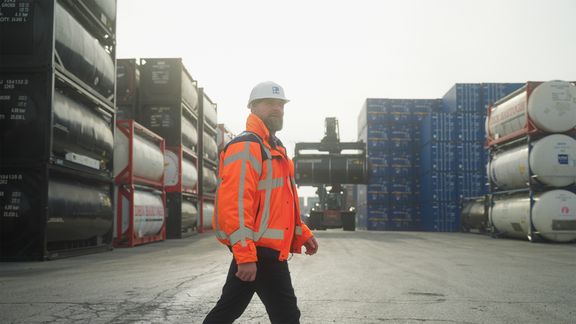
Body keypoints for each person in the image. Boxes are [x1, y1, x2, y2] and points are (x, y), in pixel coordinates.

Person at [204, 81, 319, 324]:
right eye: (270, 104)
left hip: (265, 250)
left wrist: (302, 233)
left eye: (281, 104)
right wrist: (245, 256)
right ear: (253, 107)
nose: (277, 109)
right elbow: (234, 203)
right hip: (258, 249)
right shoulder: (247, 145)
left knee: (228, 310)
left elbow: (281, 202)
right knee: (286, 316)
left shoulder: (275, 149)